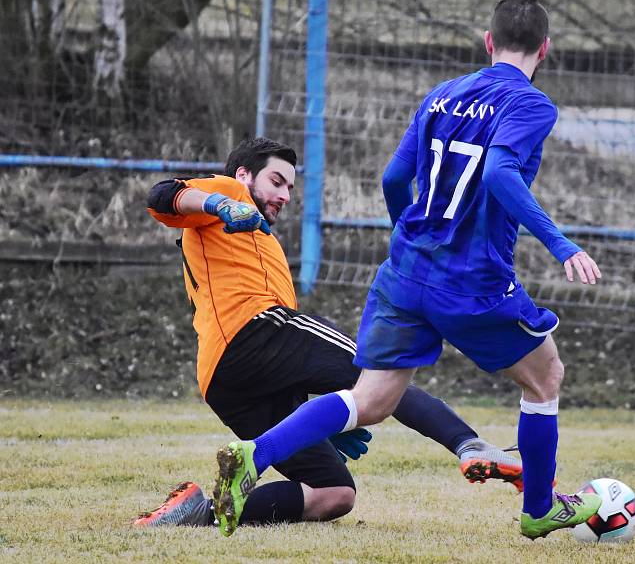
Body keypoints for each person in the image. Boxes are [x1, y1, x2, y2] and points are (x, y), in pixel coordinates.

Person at [210, 0, 605, 541]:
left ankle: (254, 455)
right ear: (546, 50)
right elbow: (497, 174)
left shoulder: (442, 95)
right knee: (545, 379)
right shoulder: (532, 104)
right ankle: (539, 508)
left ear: (488, 42)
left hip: (404, 274)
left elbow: (394, 180)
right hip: (472, 280)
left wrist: (409, 235)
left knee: (370, 401)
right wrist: (562, 245)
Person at [135, 137, 523, 530]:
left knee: (334, 493)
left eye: (290, 186)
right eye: (276, 181)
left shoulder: (254, 237)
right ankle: (470, 445)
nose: (285, 194)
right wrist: (220, 202)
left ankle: (198, 515)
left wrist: (319, 422)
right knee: (381, 375)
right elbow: (162, 195)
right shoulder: (229, 190)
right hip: (255, 330)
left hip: (226, 380)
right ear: (243, 175)